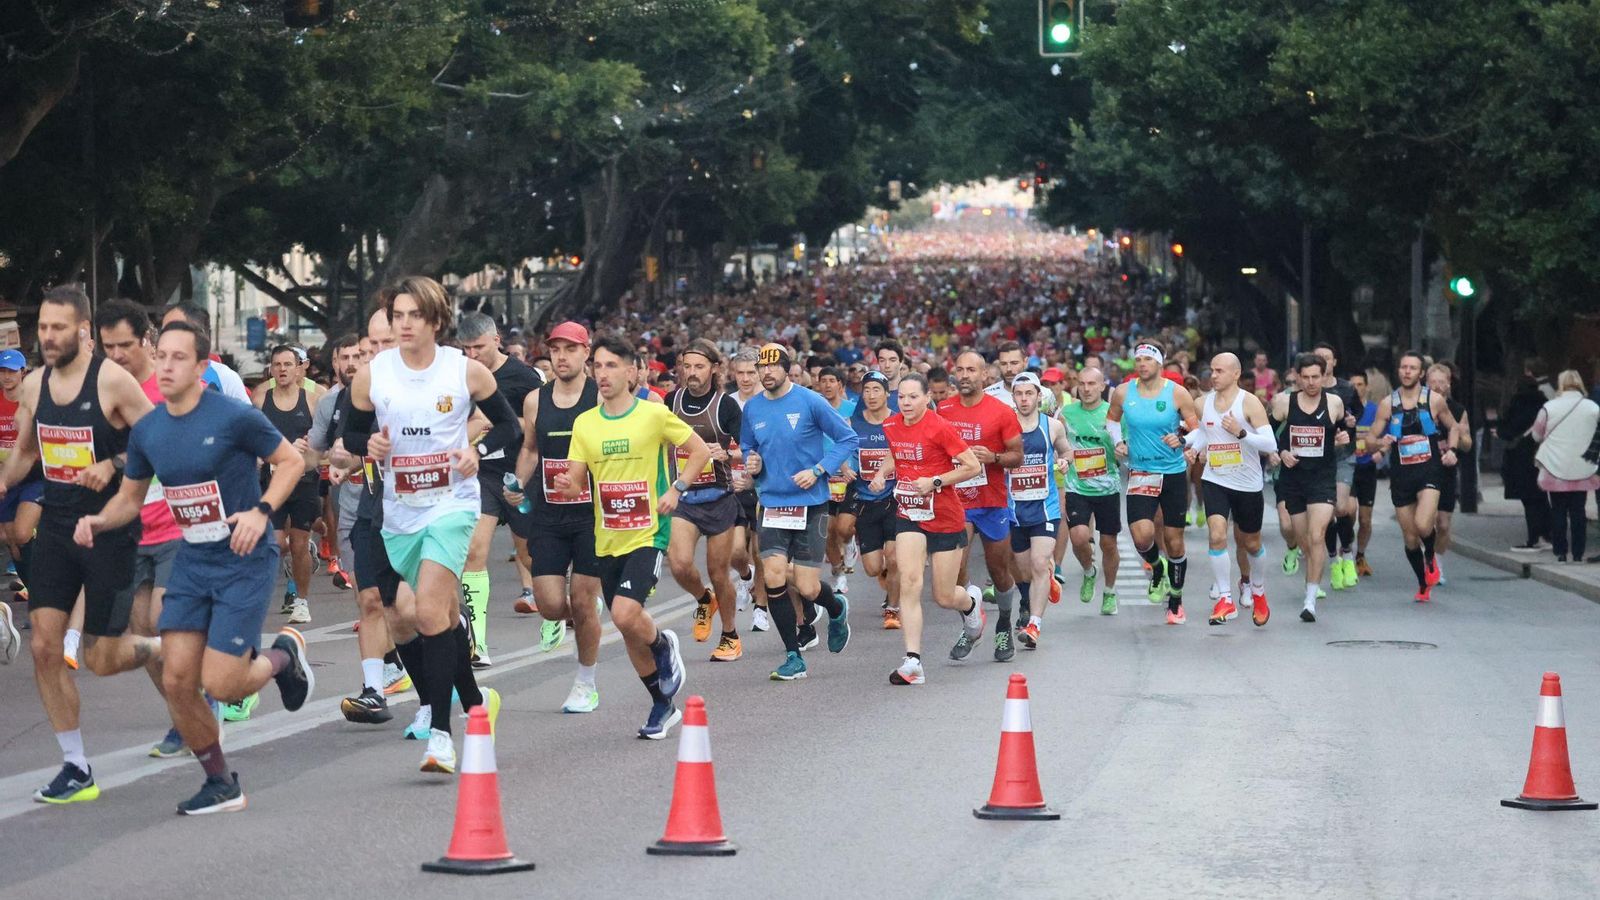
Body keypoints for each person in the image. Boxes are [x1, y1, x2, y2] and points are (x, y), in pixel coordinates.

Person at [74, 320, 315, 814]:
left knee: (224, 683)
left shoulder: (233, 416)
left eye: (178, 357)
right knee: (179, 680)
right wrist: (99, 521)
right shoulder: (149, 429)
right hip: (192, 559)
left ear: (202, 366)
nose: (166, 366)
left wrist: (261, 511)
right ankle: (220, 782)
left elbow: (290, 462)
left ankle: (283, 656)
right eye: (161, 355)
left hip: (243, 559)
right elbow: (130, 499)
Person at [344, 276, 513, 773]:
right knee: (432, 619)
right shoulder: (373, 375)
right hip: (399, 513)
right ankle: (476, 703)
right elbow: (350, 435)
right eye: (397, 315)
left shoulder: (464, 371)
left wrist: (476, 451)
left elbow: (509, 426)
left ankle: (440, 736)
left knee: (431, 611)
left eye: (414, 315)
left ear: (436, 321)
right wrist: (368, 445)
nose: (404, 324)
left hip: (451, 506)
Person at [0, 285, 162, 803]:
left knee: (102, 658)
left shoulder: (112, 380)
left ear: (83, 331)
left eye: (58, 328)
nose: (47, 337)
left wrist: (113, 464)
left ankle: (165, 648)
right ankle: (75, 766)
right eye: (43, 327)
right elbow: (27, 453)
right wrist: (3, 480)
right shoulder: (33, 386)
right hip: (56, 528)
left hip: (110, 529)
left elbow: (158, 439)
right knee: (44, 647)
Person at [561, 335, 702, 738]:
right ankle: (662, 705)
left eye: (610, 366)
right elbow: (575, 480)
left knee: (624, 613)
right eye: (597, 366)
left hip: (648, 533)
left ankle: (664, 646)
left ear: (630, 371)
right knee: (628, 627)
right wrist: (566, 485)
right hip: (607, 537)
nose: (602, 374)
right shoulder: (585, 423)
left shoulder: (653, 415)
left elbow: (699, 452)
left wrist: (677, 489)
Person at [96, 299, 199, 754]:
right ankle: (183, 715)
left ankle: (201, 698)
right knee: (141, 633)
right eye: (108, 347)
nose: (117, 355)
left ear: (146, 340)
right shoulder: (102, 392)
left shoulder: (171, 385)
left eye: (125, 345)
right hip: (131, 531)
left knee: (163, 620)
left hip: (179, 527)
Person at [737, 343, 857, 681]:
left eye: (773, 366)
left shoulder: (810, 401)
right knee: (774, 576)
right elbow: (748, 445)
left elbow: (847, 439)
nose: (767, 373)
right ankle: (793, 656)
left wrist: (818, 470)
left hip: (810, 505)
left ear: (788, 369)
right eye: (762, 367)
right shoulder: (753, 407)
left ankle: (836, 607)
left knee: (807, 587)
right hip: (772, 503)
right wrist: (751, 461)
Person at [506, 321, 607, 711]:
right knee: (549, 604)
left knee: (582, 599)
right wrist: (517, 481)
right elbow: (531, 449)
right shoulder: (536, 400)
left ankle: (585, 683)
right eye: (555, 349)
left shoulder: (600, 397)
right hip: (550, 514)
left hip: (591, 515)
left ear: (586, 353)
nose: (561, 357)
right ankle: (585, 617)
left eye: (570, 349)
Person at [866, 373, 982, 685]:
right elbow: (896, 453)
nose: (906, 402)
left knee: (944, 596)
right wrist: (881, 473)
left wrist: (935, 481)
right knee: (909, 581)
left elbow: (972, 466)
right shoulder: (891, 425)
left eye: (913, 397)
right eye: (901, 397)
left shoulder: (939, 427)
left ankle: (971, 603)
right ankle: (913, 661)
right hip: (910, 513)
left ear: (927, 398)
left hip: (944, 516)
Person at [456, 312, 542, 667]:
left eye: (478, 347)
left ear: (496, 340)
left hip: (521, 472)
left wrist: (499, 421)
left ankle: (560, 608)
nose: (472, 354)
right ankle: (477, 642)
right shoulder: (459, 375)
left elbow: (540, 424)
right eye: (466, 348)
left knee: (531, 556)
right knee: (474, 551)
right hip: (482, 475)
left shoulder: (524, 377)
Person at [1108, 341, 1200, 624]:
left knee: (1174, 541)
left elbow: (1197, 430)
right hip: (1141, 472)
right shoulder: (1124, 392)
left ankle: (1176, 601)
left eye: (1148, 359)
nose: (1142, 364)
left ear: (1160, 362)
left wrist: (1182, 439)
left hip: (1172, 473)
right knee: (1141, 536)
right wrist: (1118, 442)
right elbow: (1112, 420)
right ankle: (1157, 567)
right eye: (1138, 359)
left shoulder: (1177, 393)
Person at [663, 340, 744, 661]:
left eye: (699, 366)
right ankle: (703, 599)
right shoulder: (671, 401)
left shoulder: (726, 406)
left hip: (719, 497)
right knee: (680, 564)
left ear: (714, 368)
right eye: (687, 366)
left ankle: (730, 636)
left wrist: (728, 453)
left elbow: (749, 448)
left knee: (718, 572)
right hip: (684, 497)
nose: (692, 373)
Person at [940, 350, 1024, 660]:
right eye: (960, 369)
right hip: (956, 502)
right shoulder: (943, 409)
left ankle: (1004, 623)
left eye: (971, 370)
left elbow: (1018, 456)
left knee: (999, 570)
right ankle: (972, 621)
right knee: (955, 570)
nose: (964, 375)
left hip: (991, 501)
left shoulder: (1001, 411)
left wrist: (994, 457)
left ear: (984, 374)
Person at [1185, 353, 1277, 626]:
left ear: (1236, 374)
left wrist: (1242, 432)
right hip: (1215, 479)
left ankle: (1258, 590)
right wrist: (1192, 447)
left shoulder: (1249, 402)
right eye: (1212, 371)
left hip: (1247, 483)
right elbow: (1205, 432)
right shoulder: (1202, 403)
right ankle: (1225, 598)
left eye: (1220, 371)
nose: (1213, 376)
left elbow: (1270, 444)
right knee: (1216, 535)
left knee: (1252, 543)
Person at [1367, 350, 1461, 602]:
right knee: (1410, 537)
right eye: (1404, 367)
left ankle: (1430, 556)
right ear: (1398, 371)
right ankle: (1423, 583)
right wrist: (1381, 442)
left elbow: (1453, 427)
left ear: (1421, 373)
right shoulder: (1388, 404)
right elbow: (1370, 439)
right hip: (1401, 475)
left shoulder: (1434, 400)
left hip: (1429, 470)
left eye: (1412, 368)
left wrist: (1452, 451)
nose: (1407, 372)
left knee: (1423, 525)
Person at [1271, 354, 1347, 621]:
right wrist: (1281, 452)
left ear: (1324, 376)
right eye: (1306, 377)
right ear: (1297, 377)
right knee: (1303, 539)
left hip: (1322, 478)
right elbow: (1267, 433)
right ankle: (1307, 574)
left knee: (1317, 536)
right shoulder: (1284, 402)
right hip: (1293, 479)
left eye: (1316, 377)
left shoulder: (1334, 402)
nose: (1311, 382)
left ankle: (1310, 601)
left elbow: (1343, 430)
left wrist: (1343, 438)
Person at [254, 345, 325, 625]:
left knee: (298, 543)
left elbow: (322, 446)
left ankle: (301, 602)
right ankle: (295, 565)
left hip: (304, 481)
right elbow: (252, 437)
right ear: (271, 370)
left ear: (298, 369)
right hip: (272, 481)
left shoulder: (312, 400)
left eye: (287, 364)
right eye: (277, 365)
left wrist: (307, 451)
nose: (282, 369)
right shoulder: (261, 399)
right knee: (276, 543)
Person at [1008, 373, 1070, 649]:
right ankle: (1045, 577)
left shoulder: (1052, 426)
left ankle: (1034, 624)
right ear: (1013, 397)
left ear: (1038, 396)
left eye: (1029, 393)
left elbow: (1067, 452)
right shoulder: (1005, 426)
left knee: (1038, 562)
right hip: (1014, 508)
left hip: (1045, 507)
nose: (1024, 399)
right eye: (1019, 394)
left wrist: (1065, 461)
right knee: (1023, 571)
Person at [837, 372, 899, 628]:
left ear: (887, 393)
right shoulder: (852, 422)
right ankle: (888, 576)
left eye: (876, 389)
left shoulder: (898, 422)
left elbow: (901, 452)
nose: (871, 395)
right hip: (864, 499)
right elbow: (840, 448)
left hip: (894, 498)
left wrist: (883, 474)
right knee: (874, 568)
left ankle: (893, 609)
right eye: (867, 390)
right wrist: (844, 466)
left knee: (894, 558)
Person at [1060, 365, 1123, 615]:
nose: (1086, 389)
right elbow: (1056, 441)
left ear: (1102, 386)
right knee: (1078, 536)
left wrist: (1123, 451)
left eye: (1092, 384)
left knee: (1108, 544)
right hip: (1077, 486)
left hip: (1107, 488)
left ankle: (1109, 591)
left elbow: (1125, 445)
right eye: (1082, 384)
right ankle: (1089, 570)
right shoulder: (1066, 413)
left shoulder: (1112, 414)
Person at [1531, 370, 1599, 563]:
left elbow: (1536, 435)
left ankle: (1560, 551)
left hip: (1555, 466)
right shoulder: (1593, 407)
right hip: (1583, 466)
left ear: (1560, 384)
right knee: (1579, 510)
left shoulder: (1549, 407)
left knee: (1558, 510)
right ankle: (1578, 553)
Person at [1313, 342, 1364, 591]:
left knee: (1342, 507)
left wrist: (1352, 422)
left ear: (1334, 362)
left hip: (1343, 455)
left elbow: (1357, 413)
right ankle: (1334, 560)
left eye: (1327, 357)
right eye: (1318, 357)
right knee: (1327, 513)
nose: (1323, 361)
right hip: (1318, 459)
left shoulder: (1346, 388)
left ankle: (1347, 552)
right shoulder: (1309, 390)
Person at [0, 348, 43, 631]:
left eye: (11, 371)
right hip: (5, 478)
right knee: (11, 541)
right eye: (2, 371)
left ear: (22, 372)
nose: (6, 377)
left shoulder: (32, 399)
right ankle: (36, 596)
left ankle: (41, 605)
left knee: (22, 532)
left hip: (34, 475)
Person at [725, 348, 764, 629]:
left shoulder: (768, 401)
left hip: (763, 487)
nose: (746, 378)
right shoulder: (726, 404)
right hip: (733, 486)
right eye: (740, 373)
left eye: (751, 372)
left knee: (761, 552)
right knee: (736, 552)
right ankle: (746, 576)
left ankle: (761, 608)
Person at [1426, 363, 1471, 583]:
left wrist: (1458, 438)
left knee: (1443, 524)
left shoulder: (1458, 410)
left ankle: (1437, 562)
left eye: (1441, 382)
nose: (1437, 386)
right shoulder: (1418, 407)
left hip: (1446, 470)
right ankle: (1427, 560)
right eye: (1433, 382)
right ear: (1426, 384)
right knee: (1426, 521)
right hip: (1423, 469)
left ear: (1449, 384)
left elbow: (1468, 445)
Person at [1501, 369, 1552, 553]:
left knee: (1528, 499)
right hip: (1540, 454)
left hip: (1520, 455)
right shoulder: (1544, 403)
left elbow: (1506, 429)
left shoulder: (1517, 403)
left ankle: (1534, 537)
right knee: (1541, 497)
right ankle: (1548, 534)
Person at [159, 304, 251, 403]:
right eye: (165, 332)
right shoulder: (155, 376)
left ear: (205, 336)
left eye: (178, 331)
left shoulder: (225, 378)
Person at [1349, 372, 1380, 576]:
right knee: (1349, 513)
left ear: (1366, 387)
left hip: (1368, 468)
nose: (1357, 388)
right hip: (1349, 467)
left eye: (1360, 384)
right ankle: (1345, 550)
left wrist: (1380, 453)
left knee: (1366, 519)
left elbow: (1386, 435)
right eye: (1353, 385)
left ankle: (1360, 555)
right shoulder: (1345, 409)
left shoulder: (1375, 411)